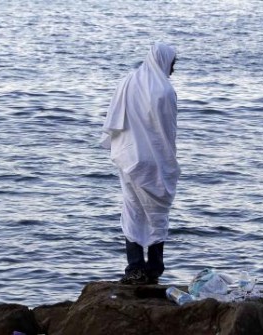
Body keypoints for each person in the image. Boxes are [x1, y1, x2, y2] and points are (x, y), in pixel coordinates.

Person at [101, 42, 180, 285]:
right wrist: (169, 162)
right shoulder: (165, 91)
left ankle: (134, 267)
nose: (173, 70)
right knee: (157, 212)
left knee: (132, 209)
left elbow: (114, 118)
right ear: (164, 61)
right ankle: (154, 268)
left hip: (128, 157)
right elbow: (166, 133)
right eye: (173, 64)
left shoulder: (127, 81)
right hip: (153, 160)